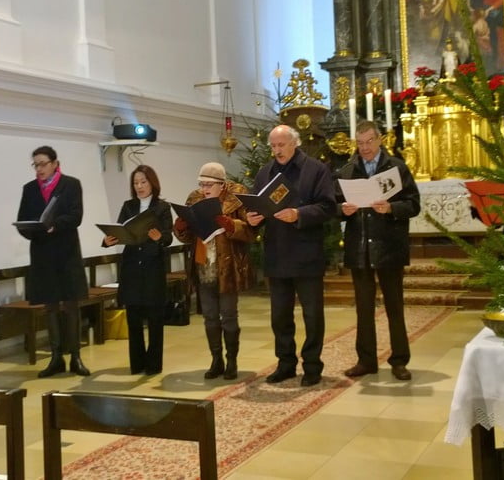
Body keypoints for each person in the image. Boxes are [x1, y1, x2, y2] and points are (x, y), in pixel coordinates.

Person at [245, 125, 336, 387]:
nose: (277, 150)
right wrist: (253, 219)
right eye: (273, 146)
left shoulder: (316, 169)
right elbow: (257, 208)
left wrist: (299, 214)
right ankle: (285, 364)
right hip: (277, 253)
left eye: (281, 145)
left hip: (307, 253)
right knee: (280, 316)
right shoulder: (265, 173)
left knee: (312, 315)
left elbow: (328, 207)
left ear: (294, 143)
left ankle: (312, 366)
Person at [336, 121, 421, 381]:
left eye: (369, 142)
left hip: (389, 246)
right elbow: (334, 204)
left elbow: (414, 204)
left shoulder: (396, 167)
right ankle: (366, 360)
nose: (365, 148)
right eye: (360, 143)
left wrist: (392, 208)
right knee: (363, 309)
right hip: (360, 248)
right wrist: (343, 210)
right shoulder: (348, 170)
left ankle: (399, 360)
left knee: (394, 306)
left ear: (379, 139)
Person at [173, 162, 256, 381]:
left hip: (227, 268)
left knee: (228, 316)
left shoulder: (236, 198)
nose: (204, 189)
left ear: (222, 185)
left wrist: (231, 225)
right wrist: (180, 227)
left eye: (209, 185)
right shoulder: (194, 200)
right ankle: (216, 360)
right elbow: (187, 237)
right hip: (203, 267)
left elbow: (251, 231)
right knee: (210, 317)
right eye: (201, 184)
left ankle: (232, 361)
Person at [16, 145, 90, 378]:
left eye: (43, 164)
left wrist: (54, 225)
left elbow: (76, 216)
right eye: (35, 165)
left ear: (55, 164)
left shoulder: (71, 185)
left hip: (67, 253)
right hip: (43, 255)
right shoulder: (29, 189)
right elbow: (22, 220)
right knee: (50, 306)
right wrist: (33, 229)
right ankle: (56, 357)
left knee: (71, 304)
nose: (39, 169)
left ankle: (75, 356)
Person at [103, 165, 174, 375]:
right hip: (132, 267)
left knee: (154, 320)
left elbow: (168, 237)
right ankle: (137, 364)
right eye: (135, 183)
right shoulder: (129, 206)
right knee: (133, 319)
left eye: (143, 182)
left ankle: (153, 365)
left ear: (152, 183)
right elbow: (119, 230)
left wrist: (159, 237)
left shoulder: (162, 207)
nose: (139, 186)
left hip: (153, 267)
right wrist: (107, 240)